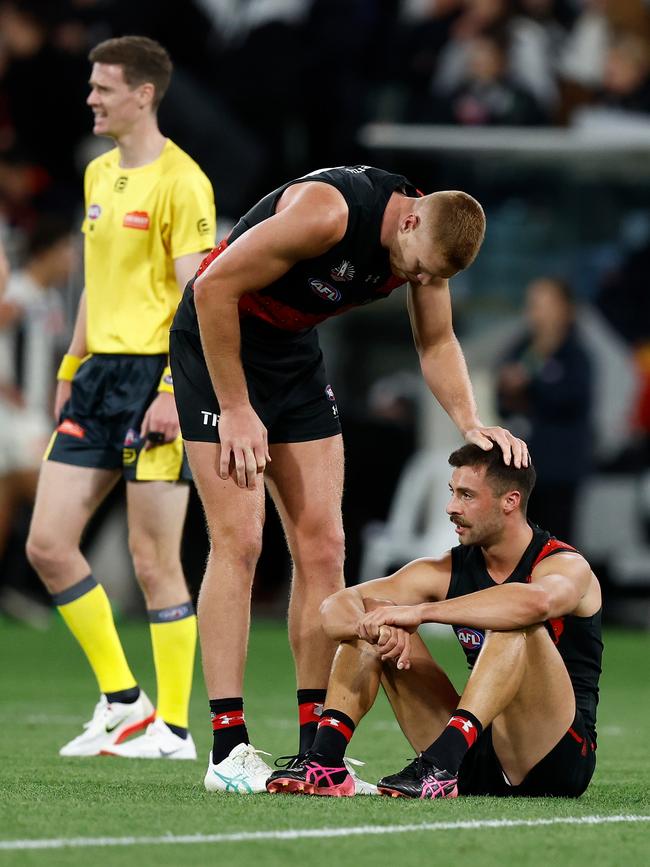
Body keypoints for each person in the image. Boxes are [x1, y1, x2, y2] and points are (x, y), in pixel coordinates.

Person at [169, 164, 528, 793]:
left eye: (431, 277)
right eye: (420, 269)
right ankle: (228, 749)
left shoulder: (426, 244)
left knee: (324, 544)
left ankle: (317, 751)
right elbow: (211, 287)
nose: (418, 281)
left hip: (291, 350)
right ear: (410, 218)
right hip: (217, 347)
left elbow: (437, 341)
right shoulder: (329, 212)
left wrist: (471, 421)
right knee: (241, 541)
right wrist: (235, 408)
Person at [25, 36, 216, 760]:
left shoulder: (184, 182)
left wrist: (174, 387)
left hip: (155, 378)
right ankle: (122, 701)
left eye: (104, 88)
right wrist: (71, 363)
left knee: (152, 557)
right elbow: (94, 279)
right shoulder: (99, 173)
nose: (91, 99)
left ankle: (171, 728)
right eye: (91, 86)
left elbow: (197, 298)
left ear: (143, 95)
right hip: (98, 375)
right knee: (47, 543)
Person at [266, 444, 602, 798]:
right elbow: (334, 607)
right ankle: (326, 763)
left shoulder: (566, 565)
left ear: (510, 501)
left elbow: (536, 601)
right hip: (472, 752)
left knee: (514, 625)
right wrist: (377, 626)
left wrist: (420, 612)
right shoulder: (448, 567)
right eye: (452, 493)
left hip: (554, 759)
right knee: (375, 611)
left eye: (467, 495)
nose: (451, 508)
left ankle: (439, 765)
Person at [0, 218, 74, 622]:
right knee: (54, 500)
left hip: (34, 417)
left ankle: (19, 589)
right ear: (48, 251)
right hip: (13, 419)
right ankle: (39, 588)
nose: (72, 260)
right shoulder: (18, 291)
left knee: (10, 502)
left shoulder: (50, 300)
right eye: (67, 250)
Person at [497, 277, 593, 541]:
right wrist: (510, 390)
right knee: (519, 546)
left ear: (565, 308)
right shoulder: (521, 349)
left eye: (545, 304)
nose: (537, 311)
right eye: (533, 304)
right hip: (522, 472)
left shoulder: (575, 355)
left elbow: (570, 398)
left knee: (557, 544)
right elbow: (503, 400)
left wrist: (530, 387)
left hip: (560, 470)